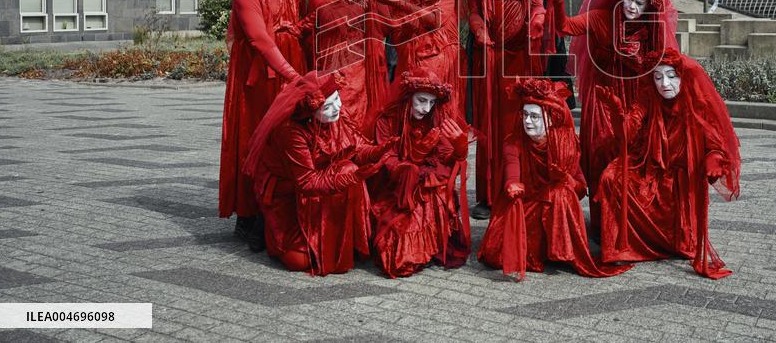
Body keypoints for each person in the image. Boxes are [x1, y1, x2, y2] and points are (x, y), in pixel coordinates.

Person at [551, 0, 678, 236]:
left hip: (635, 97)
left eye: (639, 2)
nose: (632, 6)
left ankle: (630, 220)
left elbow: (663, 62)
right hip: (602, 97)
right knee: (600, 153)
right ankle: (602, 223)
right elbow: (564, 27)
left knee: (633, 157)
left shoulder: (651, 28)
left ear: (647, 7)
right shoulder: (599, 18)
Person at [596, 49, 741, 279]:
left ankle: (674, 242)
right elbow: (628, 133)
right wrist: (616, 111)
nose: (664, 83)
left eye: (671, 76)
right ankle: (627, 245)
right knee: (611, 177)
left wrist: (713, 159)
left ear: (683, 77)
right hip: (649, 166)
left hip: (681, 173)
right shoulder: (647, 96)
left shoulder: (696, 102)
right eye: (658, 77)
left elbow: (715, 142)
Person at [477, 78, 632, 281]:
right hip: (526, 205)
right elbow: (511, 170)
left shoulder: (565, 142)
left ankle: (561, 250)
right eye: (524, 115)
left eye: (534, 116)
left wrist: (565, 179)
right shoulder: (513, 142)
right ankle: (543, 249)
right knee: (495, 253)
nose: (527, 121)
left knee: (560, 192)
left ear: (550, 118)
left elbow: (580, 190)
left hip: (554, 206)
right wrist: (512, 183)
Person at [242, 71, 390, 276]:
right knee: (298, 260)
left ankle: (341, 243)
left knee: (348, 167)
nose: (337, 107)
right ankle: (266, 224)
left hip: (322, 183)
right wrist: (352, 178)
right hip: (288, 193)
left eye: (337, 98)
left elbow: (357, 148)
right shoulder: (290, 132)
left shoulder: (337, 114)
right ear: (310, 111)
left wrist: (382, 149)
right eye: (327, 106)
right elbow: (307, 182)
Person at [219, 0, 307, 249]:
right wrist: (292, 76)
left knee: (289, 138)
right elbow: (259, 39)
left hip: (290, 68)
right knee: (255, 136)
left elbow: (302, 24)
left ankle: (282, 208)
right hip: (259, 76)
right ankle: (250, 214)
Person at [306, 0, 436, 138]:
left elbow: (388, 24)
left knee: (368, 114)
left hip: (370, 63)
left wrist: (408, 13)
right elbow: (326, 17)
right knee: (341, 110)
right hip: (338, 59)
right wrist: (363, 0)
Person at [464, 0, 546, 219]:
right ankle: (488, 194)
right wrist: (480, 30)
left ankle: (520, 186)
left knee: (518, 119)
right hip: (491, 55)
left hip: (520, 55)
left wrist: (537, 21)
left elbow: (538, 6)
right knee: (489, 120)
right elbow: (473, 10)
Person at [371, 68, 470, 278]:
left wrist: (460, 149)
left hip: (423, 186)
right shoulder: (387, 121)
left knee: (437, 191)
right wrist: (410, 163)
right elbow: (386, 159)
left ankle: (430, 247)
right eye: (422, 100)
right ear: (409, 97)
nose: (426, 108)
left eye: (432, 103)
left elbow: (446, 161)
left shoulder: (435, 119)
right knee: (397, 257)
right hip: (396, 191)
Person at [389, 0, 464, 117]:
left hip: (442, 61)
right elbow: (397, 38)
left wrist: (406, 10)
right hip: (411, 62)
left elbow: (436, 20)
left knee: (441, 113)